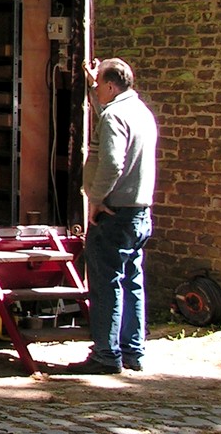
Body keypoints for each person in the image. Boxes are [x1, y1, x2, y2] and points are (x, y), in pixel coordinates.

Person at [66, 57, 158, 375]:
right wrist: (93, 86)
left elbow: (112, 162)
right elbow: (105, 110)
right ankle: (133, 351)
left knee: (106, 283)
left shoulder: (115, 116)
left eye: (99, 86)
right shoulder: (140, 112)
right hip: (139, 212)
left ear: (110, 85)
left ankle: (106, 354)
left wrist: (95, 198)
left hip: (114, 212)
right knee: (132, 280)